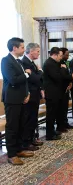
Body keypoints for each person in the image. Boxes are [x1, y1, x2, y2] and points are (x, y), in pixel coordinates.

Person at [1, 37, 34, 165]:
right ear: (14, 48)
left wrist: (28, 93)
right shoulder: (6, 61)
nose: (24, 49)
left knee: (21, 125)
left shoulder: (19, 62)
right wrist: (27, 74)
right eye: (21, 47)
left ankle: (19, 149)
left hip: (22, 98)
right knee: (12, 127)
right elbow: (13, 80)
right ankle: (12, 154)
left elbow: (24, 82)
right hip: (12, 99)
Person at [21, 43, 44, 151]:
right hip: (29, 95)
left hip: (35, 94)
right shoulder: (24, 62)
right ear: (31, 51)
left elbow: (37, 78)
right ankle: (26, 142)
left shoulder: (32, 63)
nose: (39, 53)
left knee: (33, 118)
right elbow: (34, 78)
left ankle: (32, 139)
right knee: (29, 119)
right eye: (38, 51)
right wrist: (40, 71)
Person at [43, 47, 66, 140]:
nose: (61, 58)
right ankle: (49, 134)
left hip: (56, 92)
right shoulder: (49, 63)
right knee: (51, 114)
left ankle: (52, 131)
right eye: (60, 56)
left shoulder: (54, 63)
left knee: (55, 113)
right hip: (51, 93)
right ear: (55, 55)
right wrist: (63, 69)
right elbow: (57, 77)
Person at [59, 48, 73, 130]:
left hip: (66, 87)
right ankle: (62, 124)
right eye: (66, 55)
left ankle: (65, 122)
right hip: (61, 89)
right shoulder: (59, 63)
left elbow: (67, 73)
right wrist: (71, 77)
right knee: (62, 108)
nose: (68, 56)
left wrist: (70, 82)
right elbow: (62, 76)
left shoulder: (65, 62)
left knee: (65, 107)